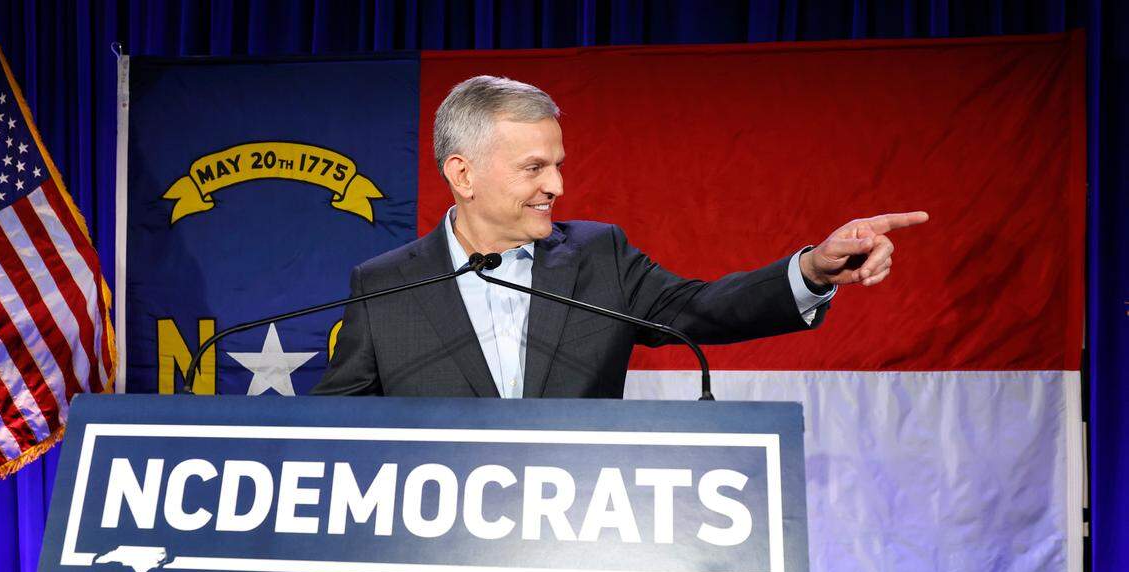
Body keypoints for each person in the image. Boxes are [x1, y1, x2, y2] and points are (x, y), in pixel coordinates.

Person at [312, 76, 927, 398]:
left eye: (558, 164)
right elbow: (338, 430)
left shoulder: (597, 256)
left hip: (580, 543)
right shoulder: (385, 284)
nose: (556, 185)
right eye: (533, 168)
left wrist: (814, 270)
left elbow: (702, 309)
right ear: (462, 173)